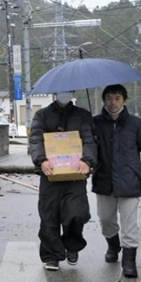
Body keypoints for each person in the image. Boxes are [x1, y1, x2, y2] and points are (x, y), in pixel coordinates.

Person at [92, 84, 141, 278]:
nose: (113, 102)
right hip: (104, 180)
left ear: (124, 100)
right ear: (104, 101)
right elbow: (86, 150)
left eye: (117, 98)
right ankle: (113, 245)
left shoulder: (136, 124)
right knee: (106, 219)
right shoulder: (95, 123)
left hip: (130, 180)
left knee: (129, 223)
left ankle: (129, 262)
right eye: (109, 98)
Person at [29, 91, 96, 271]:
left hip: (75, 174)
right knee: (49, 216)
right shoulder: (42, 115)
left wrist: (87, 160)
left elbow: (89, 140)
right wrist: (41, 160)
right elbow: (35, 139)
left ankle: (72, 245)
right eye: (61, 91)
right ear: (54, 93)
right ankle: (52, 255)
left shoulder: (83, 115)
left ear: (74, 93)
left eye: (68, 91)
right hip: (50, 174)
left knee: (77, 213)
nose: (65, 94)